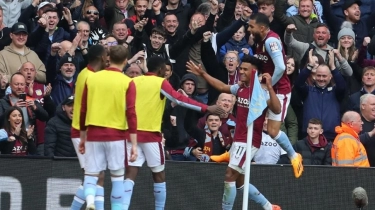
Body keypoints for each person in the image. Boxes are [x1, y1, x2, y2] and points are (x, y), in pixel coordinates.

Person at [123, 56, 225, 210]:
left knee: (130, 173)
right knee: (159, 174)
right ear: (159, 69)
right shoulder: (160, 82)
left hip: (131, 135)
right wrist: (206, 108)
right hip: (151, 135)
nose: (166, 71)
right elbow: (180, 99)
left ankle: (122, 207)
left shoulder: (133, 81)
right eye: (165, 68)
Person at [186, 54, 281, 210]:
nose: (241, 71)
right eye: (241, 68)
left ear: (254, 72)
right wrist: (202, 74)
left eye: (245, 69)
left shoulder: (260, 92)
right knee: (240, 181)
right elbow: (223, 87)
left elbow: (277, 109)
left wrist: (270, 87)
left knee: (229, 175)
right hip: (239, 140)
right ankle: (270, 207)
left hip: (249, 141)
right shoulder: (240, 88)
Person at [78, 45, 138, 210]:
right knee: (117, 178)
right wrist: (133, 144)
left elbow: (83, 110)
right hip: (116, 135)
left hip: (94, 133)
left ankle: (90, 201)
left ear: (108, 58)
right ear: (126, 61)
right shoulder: (128, 82)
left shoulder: (92, 78)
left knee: (91, 175)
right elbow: (131, 114)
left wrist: (82, 137)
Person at [247, 13, 303, 177]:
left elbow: (280, 67)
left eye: (252, 26)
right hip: (264, 88)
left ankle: (293, 156)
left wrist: (268, 84)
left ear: (262, 28)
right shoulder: (259, 40)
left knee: (272, 131)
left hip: (279, 91)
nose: (249, 29)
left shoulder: (271, 41)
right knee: (251, 122)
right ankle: (236, 154)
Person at [70, 45, 107, 210]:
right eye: (107, 55)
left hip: (83, 130)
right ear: (100, 57)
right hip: (82, 132)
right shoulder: (91, 77)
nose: (109, 58)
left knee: (97, 175)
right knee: (95, 175)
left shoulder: (84, 74)